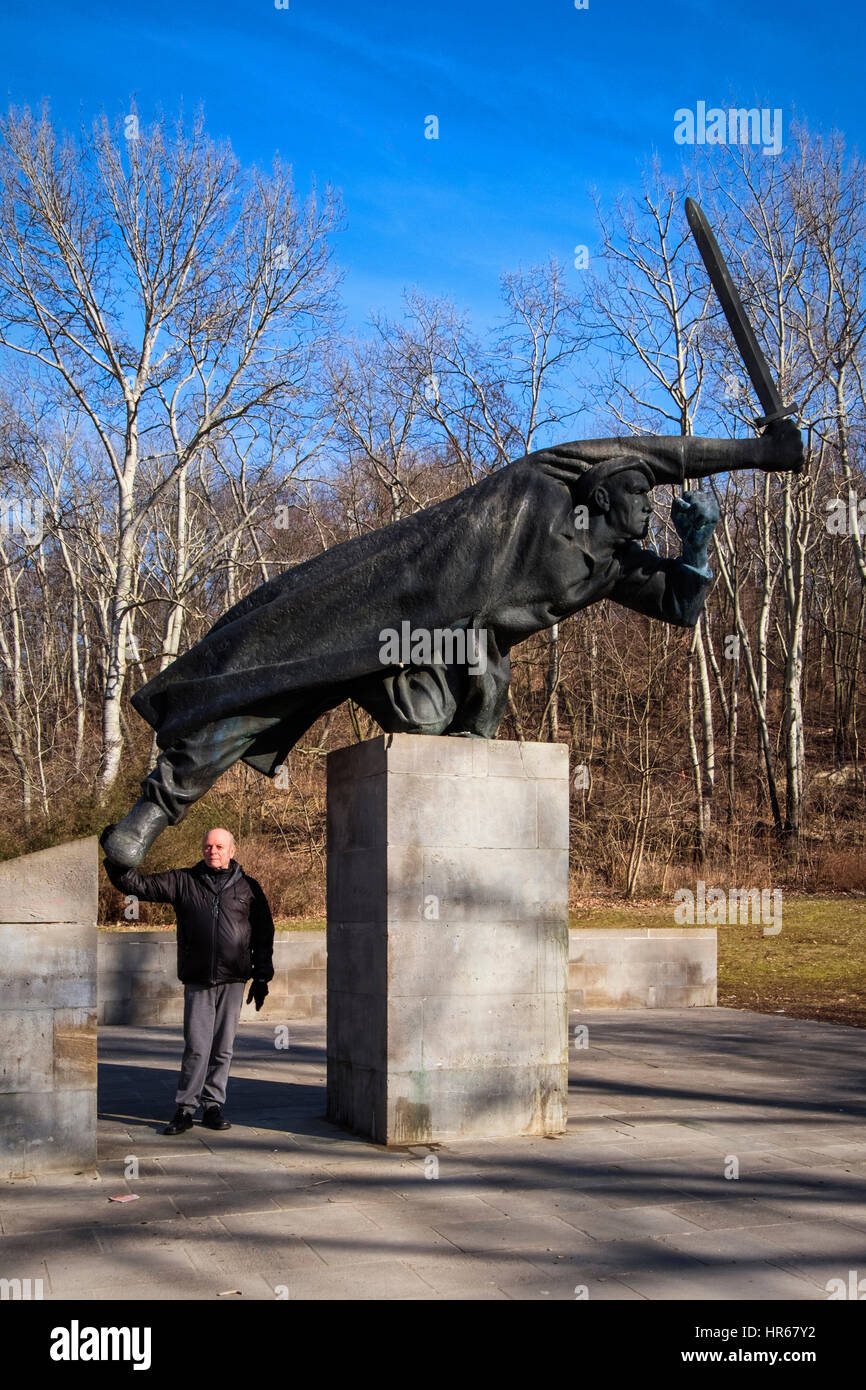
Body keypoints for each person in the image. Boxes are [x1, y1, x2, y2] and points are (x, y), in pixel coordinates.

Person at [100, 419, 804, 869]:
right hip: (398, 596)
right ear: (603, 493)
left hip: (449, 653)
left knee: (428, 724)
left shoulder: (611, 570)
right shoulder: (546, 484)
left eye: (652, 501)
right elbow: (666, 453)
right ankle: (156, 808)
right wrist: (761, 454)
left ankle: (382, 682)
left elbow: (682, 605)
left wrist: (700, 538)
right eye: (639, 494)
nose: (650, 504)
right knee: (281, 671)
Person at [103, 827, 275, 1135]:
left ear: (232, 851)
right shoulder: (183, 881)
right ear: (202, 849)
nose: (213, 850)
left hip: (233, 978)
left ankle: (213, 1105)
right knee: (197, 1047)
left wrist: (262, 975)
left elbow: (264, 933)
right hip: (198, 978)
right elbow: (136, 885)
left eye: (220, 846)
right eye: (208, 845)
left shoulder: (249, 888)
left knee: (223, 1047)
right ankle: (185, 1108)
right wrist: (114, 854)